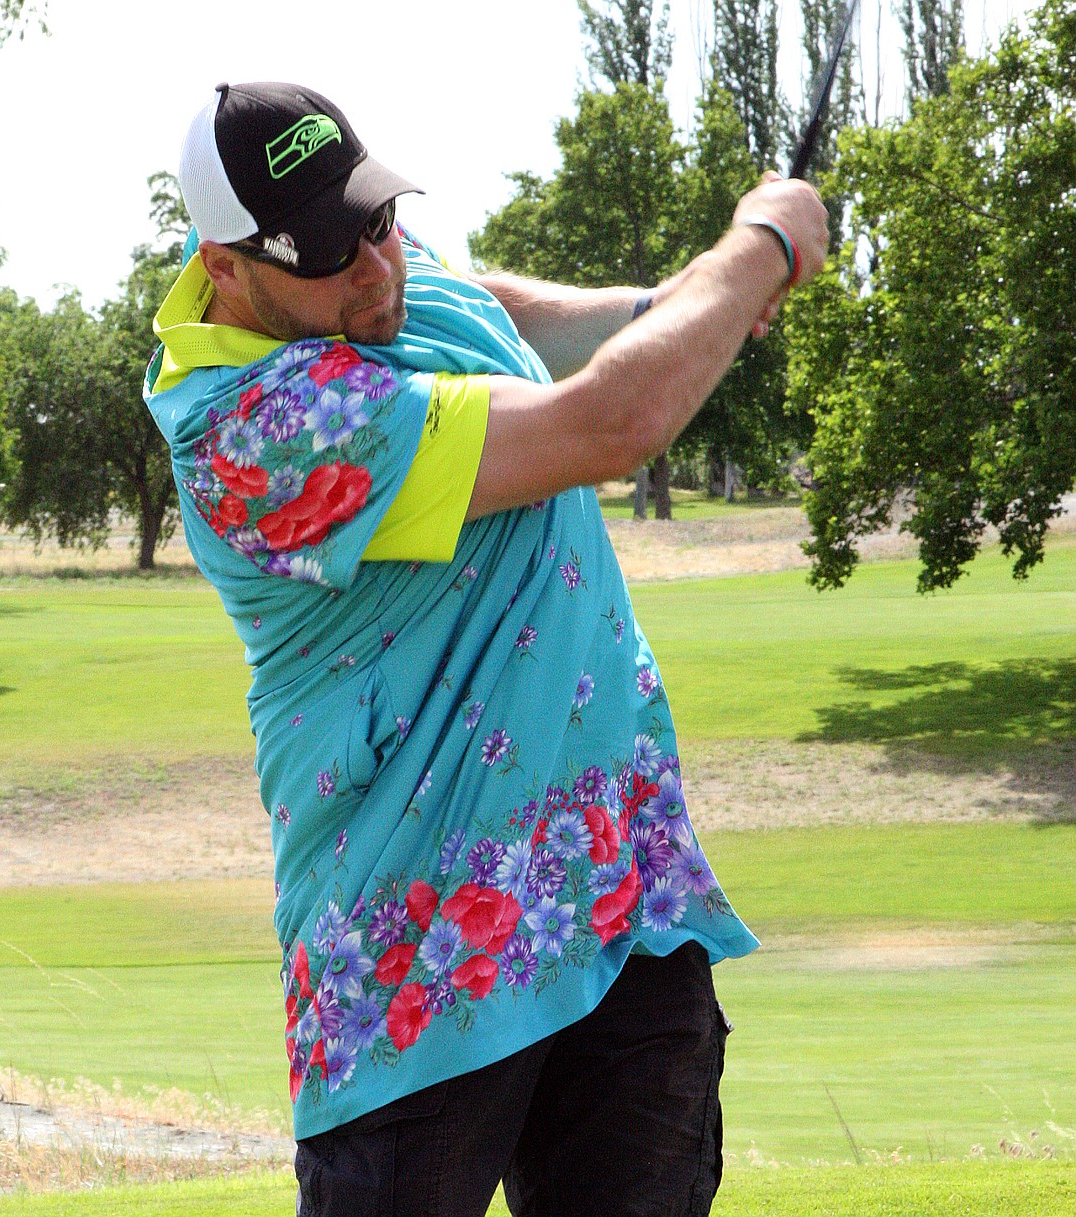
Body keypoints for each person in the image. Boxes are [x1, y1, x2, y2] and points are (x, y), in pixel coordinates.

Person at [145, 81, 828, 1217]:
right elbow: (612, 424)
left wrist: (663, 303)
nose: (374, 265)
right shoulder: (258, 430)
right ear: (225, 268)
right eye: (331, 251)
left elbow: (470, 302)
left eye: (376, 217)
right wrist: (760, 247)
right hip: (419, 958)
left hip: (616, 899)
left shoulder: (346, 270)